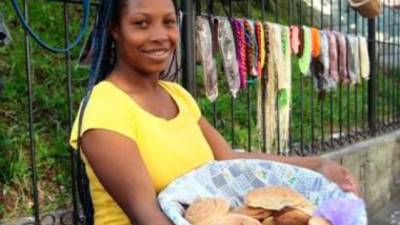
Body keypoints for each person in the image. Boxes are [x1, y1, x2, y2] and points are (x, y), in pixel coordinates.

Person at [69, 0, 359, 225]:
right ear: (114, 29)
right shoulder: (105, 108)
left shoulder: (178, 96)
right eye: (141, 23)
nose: (159, 36)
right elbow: (146, 215)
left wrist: (316, 165)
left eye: (168, 22)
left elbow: (229, 159)